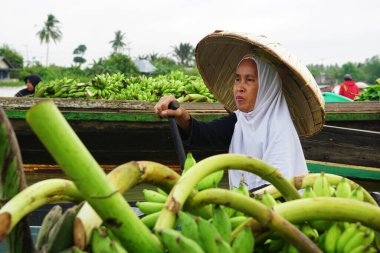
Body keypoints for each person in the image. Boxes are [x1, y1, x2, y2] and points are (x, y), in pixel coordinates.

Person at [154, 56, 309, 191]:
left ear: (266, 88)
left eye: (249, 80)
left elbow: (278, 188)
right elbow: (206, 134)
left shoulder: (279, 128)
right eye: (237, 79)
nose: (239, 88)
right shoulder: (239, 120)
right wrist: (181, 115)